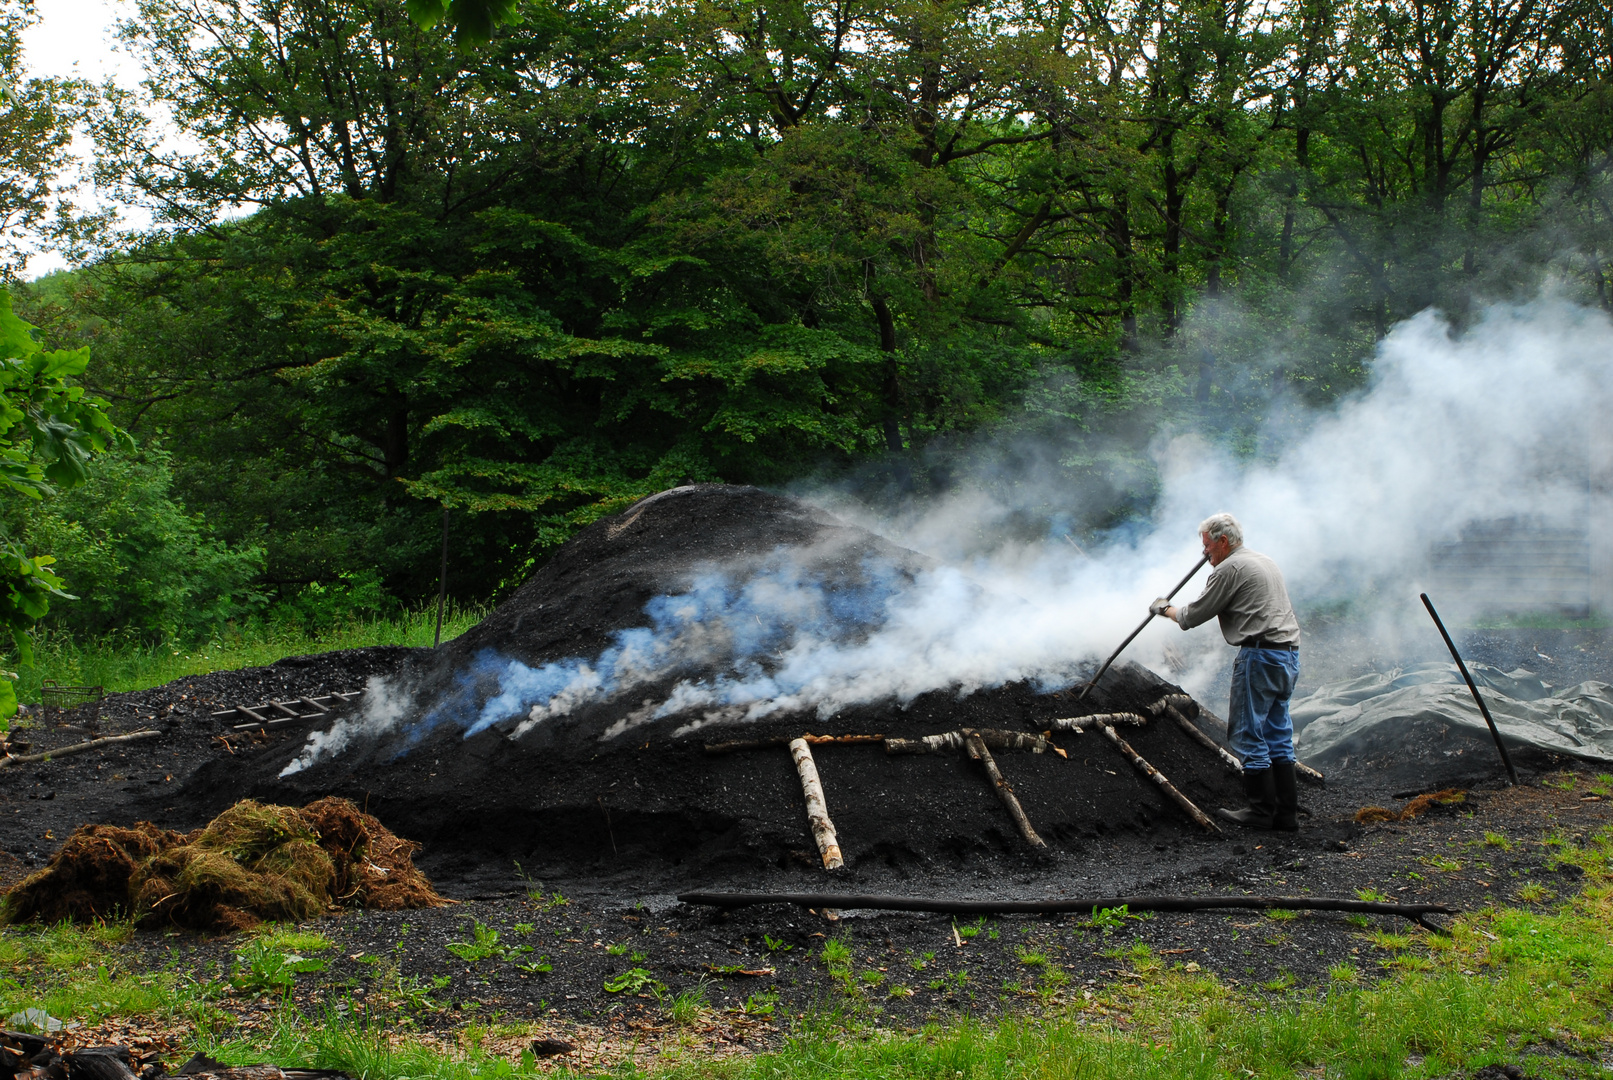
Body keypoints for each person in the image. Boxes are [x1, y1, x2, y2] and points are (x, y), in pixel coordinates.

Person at [1151, 513, 1301, 831]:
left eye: (1207, 547)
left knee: (1249, 733)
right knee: (1277, 732)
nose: (1205, 554)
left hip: (1260, 656)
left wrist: (1163, 609)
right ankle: (1286, 814)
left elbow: (1192, 616)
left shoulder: (1229, 568)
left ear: (1223, 541)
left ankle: (1260, 812)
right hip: (1287, 655)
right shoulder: (1264, 561)